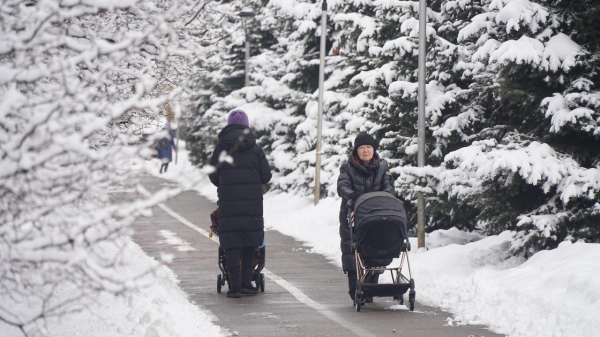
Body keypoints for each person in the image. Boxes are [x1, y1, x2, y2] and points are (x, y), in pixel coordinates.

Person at [209, 109, 272, 299]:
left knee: (232, 245)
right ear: (246, 125)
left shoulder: (221, 147)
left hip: (229, 203)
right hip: (252, 204)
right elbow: (266, 175)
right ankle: (246, 283)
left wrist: (224, 185)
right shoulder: (256, 148)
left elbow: (213, 173)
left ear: (229, 125)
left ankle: (234, 287)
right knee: (249, 243)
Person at [337, 133, 395, 302]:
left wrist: (381, 197)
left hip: (376, 214)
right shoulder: (347, 167)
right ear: (356, 150)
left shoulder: (383, 168)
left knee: (375, 247)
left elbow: (390, 188)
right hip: (352, 214)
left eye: (369, 147)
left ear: (374, 149)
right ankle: (354, 290)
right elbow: (342, 186)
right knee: (352, 250)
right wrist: (353, 195)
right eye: (362, 147)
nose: (365, 151)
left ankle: (370, 287)